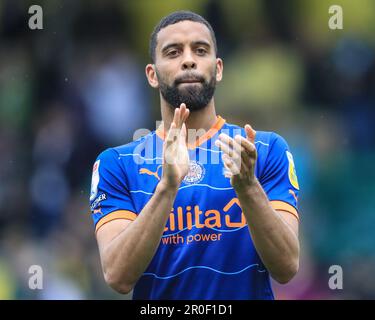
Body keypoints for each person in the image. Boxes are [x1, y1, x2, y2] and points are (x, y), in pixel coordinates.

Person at [89, 10, 300, 300]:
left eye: (200, 50)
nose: (188, 59)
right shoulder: (117, 164)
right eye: (173, 52)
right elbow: (118, 276)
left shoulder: (264, 151)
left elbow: (287, 267)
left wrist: (249, 188)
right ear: (152, 74)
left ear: (218, 68)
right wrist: (166, 187)